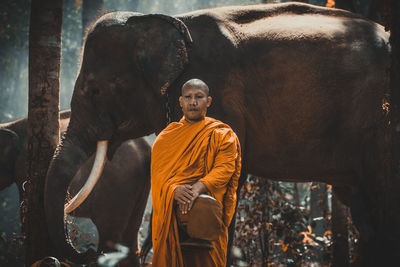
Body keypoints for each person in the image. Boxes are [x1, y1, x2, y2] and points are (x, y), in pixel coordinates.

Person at [151, 78, 242, 266]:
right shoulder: (165, 139)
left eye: (199, 97)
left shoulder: (222, 134)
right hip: (173, 221)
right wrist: (174, 190)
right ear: (181, 102)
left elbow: (225, 169)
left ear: (208, 101)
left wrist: (198, 188)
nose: (193, 102)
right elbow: (158, 177)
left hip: (207, 222)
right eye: (188, 97)